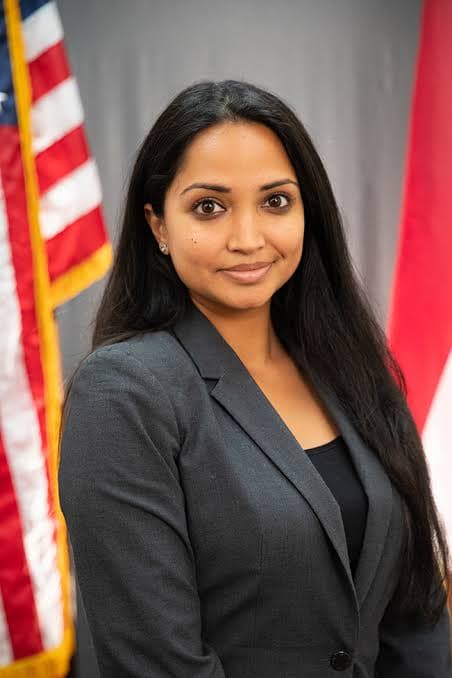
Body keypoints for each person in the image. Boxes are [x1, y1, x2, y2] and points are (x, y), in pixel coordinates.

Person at [58, 79, 451, 677]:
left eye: (275, 202)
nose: (248, 239)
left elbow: (414, 617)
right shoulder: (124, 394)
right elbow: (158, 664)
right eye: (208, 207)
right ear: (158, 224)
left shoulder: (353, 372)